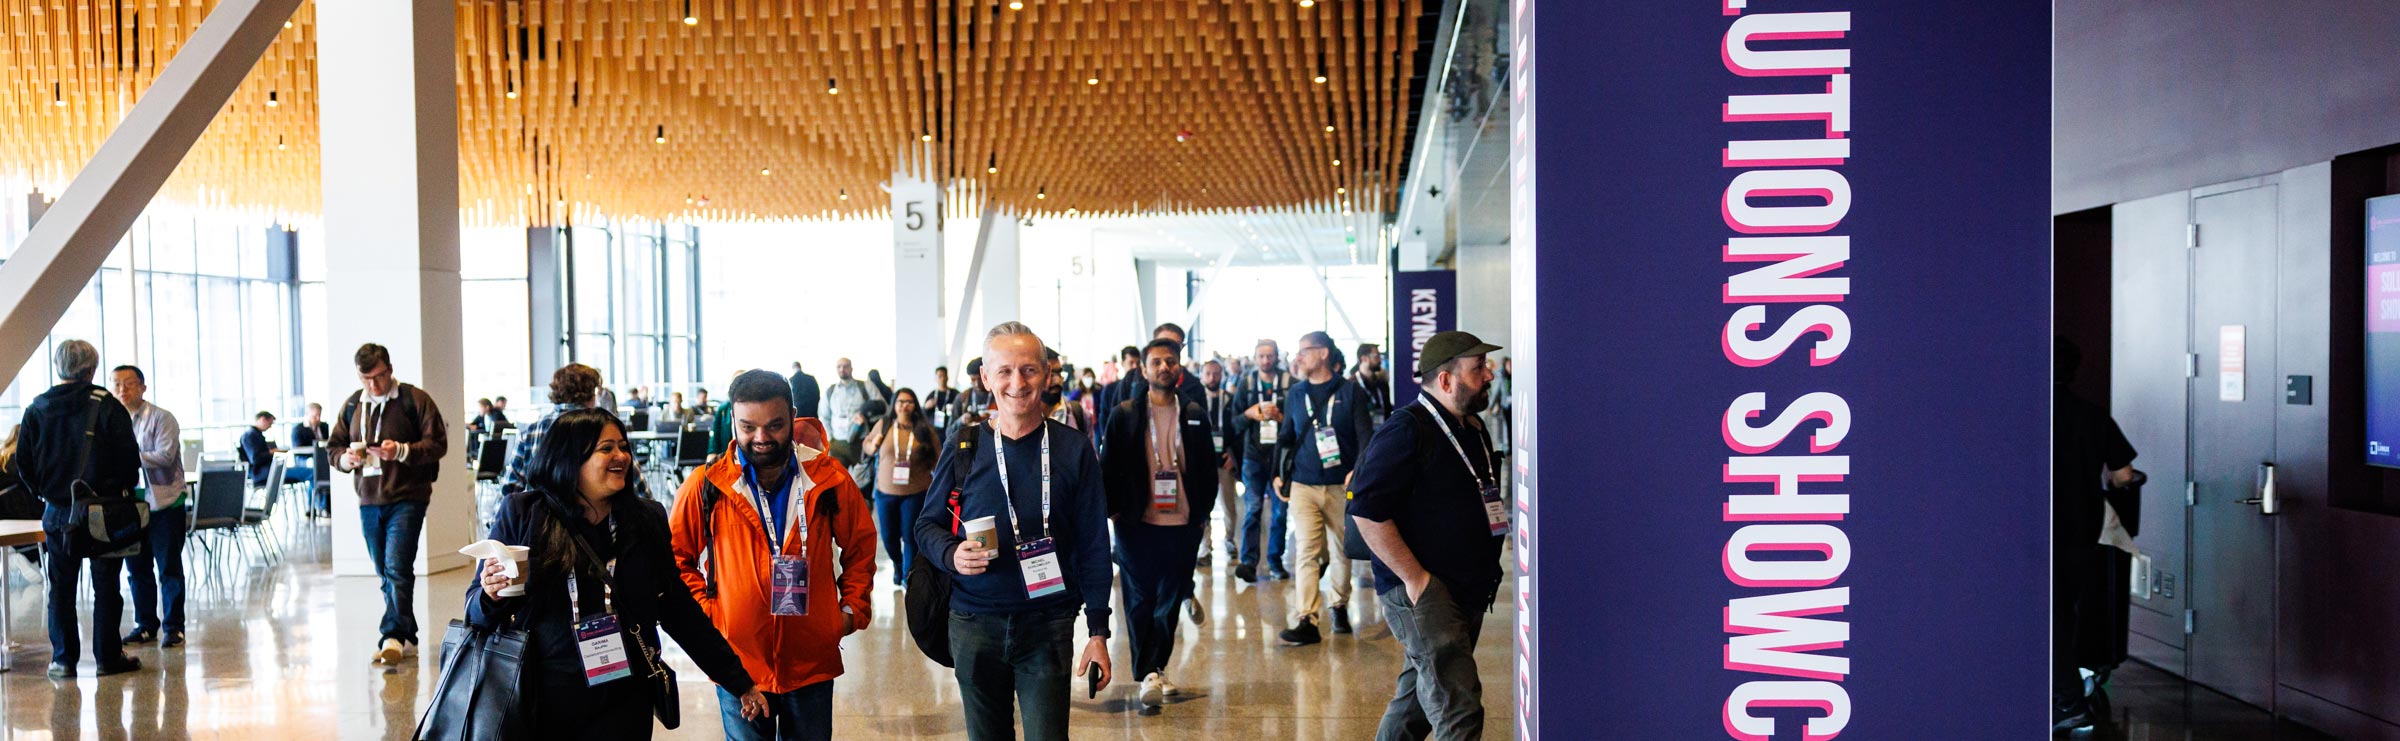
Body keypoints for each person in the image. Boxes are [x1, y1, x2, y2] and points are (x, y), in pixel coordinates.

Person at [468, 408, 768, 738]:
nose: (621, 456)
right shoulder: (524, 514)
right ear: (570, 458)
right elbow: (476, 612)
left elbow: (678, 609)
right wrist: (490, 594)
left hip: (626, 694)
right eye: (606, 448)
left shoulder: (645, 519)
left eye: (623, 446)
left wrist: (737, 680)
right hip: (545, 694)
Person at [914, 321, 1114, 741]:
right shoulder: (964, 444)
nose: (1017, 383)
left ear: (1047, 375)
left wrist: (1098, 632)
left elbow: (1095, 545)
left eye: (1028, 370)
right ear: (986, 378)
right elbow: (926, 525)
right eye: (1004, 371)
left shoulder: (1073, 450)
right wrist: (952, 555)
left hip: (1049, 623)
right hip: (972, 622)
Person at [667, 370, 876, 740]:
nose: (761, 438)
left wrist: (849, 610)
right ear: (732, 419)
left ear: (793, 416)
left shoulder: (828, 478)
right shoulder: (706, 485)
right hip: (738, 661)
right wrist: (712, 614)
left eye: (775, 425)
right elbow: (675, 560)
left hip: (811, 659)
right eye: (748, 426)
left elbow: (860, 547)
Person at [1348, 331, 1508, 741]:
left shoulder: (1473, 428)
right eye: (1478, 368)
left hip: (1466, 589)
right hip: (1425, 593)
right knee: (1459, 709)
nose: (1489, 375)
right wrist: (1417, 581)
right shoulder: (1406, 430)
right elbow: (1366, 511)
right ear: (1446, 380)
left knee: (1415, 707)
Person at [1100, 337, 1219, 710]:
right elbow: (1109, 465)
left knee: (1169, 601)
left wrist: (1203, 515)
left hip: (1182, 522)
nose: (1164, 367)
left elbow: (1207, 468)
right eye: (1156, 362)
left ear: (1179, 368)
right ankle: (1147, 672)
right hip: (1137, 522)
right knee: (1139, 599)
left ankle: (1157, 667)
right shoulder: (1125, 413)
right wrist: (1114, 510)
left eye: (1170, 361)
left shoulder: (1195, 413)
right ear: (1144, 369)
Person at [17, 339, 142, 678]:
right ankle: (107, 657)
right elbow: (131, 460)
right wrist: (116, 487)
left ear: (59, 369)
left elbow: (23, 463)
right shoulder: (107, 405)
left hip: (58, 512)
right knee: (106, 587)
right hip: (104, 509)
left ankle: (63, 660)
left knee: (61, 588)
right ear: (91, 370)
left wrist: (45, 492)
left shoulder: (36, 408)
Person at [327, 342, 451, 665]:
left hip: (408, 496)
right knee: (384, 570)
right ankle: (406, 635)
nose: (373, 385)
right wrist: (346, 460)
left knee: (397, 565)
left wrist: (403, 451)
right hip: (368, 498)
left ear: (390, 370)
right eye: (365, 378)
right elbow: (333, 447)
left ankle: (391, 635)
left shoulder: (414, 400)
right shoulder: (353, 405)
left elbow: (438, 443)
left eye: (379, 376)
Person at [2052, 338, 2140, 731]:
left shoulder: (2022, 412)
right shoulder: (2091, 415)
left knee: (2045, 617)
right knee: (2063, 614)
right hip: (2081, 529)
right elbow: (2122, 475)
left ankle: (2067, 701)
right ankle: (2066, 695)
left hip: (2035, 531)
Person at [1273, 331, 1374, 645]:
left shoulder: (1351, 392)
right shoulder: (1295, 393)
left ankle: (1339, 604)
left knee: (1342, 549)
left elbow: (1365, 439)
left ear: (1323, 354)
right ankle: (1307, 618)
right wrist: (1278, 473)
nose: (1299, 358)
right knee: (1306, 551)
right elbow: (1287, 435)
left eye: (1305, 351)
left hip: (1339, 486)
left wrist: (1356, 473)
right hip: (1304, 484)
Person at [112, 365, 189, 649]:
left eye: (129, 384)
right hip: (130, 506)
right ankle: (145, 625)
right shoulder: (113, 420)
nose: (122, 390)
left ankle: (174, 627)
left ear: (143, 387)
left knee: (168, 566)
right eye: (117, 384)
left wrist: (129, 456)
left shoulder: (162, 418)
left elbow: (166, 456)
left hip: (165, 502)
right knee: (137, 567)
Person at [1231, 339, 1294, 583]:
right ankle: (1248, 562)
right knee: (1253, 509)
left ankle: (1275, 560)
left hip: (1281, 460)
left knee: (1279, 512)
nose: (1266, 361)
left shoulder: (1290, 384)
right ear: (1255, 358)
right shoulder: (1246, 384)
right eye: (1262, 356)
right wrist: (1249, 414)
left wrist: (1281, 418)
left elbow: (1299, 422)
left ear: (1277, 357)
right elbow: (1234, 423)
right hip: (1253, 458)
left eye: (1270, 356)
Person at [866, 388, 939, 587]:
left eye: (909, 401)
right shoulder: (884, 425)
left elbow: (937, 460)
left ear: (915, 405)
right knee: (889, 538)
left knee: (910, 537)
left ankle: (908, 576)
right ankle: (898, 565)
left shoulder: (924, 429)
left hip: (915, 493)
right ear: (894, 405)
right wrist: (872, 446)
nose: (904, 405)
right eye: (900, 401)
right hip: (885, 493)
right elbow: (867, 444)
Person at [504, 364, 607, 497]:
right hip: (590, 514)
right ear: (591, 394)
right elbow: (636, 484)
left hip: (539, 515)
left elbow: (510, 488)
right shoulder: (602, 429)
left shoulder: (530, 432)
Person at [1201, 360, 1241, 565]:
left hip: (1224, 460)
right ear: (1202, 375)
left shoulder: (1230, 400)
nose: (1212, 378)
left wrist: (1233, 456)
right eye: (1208, 374)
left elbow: (1236, 431)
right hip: (1204, 460)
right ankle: (1205, 547)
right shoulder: (1196, 401)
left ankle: (1229, 538)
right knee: (1203, 505)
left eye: (1216, 374)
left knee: (1228, 504)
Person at [823, 359, 871, 466]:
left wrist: (866, 418)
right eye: (839, 367)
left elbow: (882, 407)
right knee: (838, 479)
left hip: (859, 440)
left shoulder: (864, 386)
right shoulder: (830, 391)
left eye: (845, 366)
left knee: (860, 479)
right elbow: (824, 416)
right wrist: (830, 439)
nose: (842, 369)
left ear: (851, 368)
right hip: (837, 442)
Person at [1355, 343, 1394, 422]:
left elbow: (1387, 410)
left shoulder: (1382, 383)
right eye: (1376, 356)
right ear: (1364, 359)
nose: (1380, 360)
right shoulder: (1352, 385)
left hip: (1382, 430)